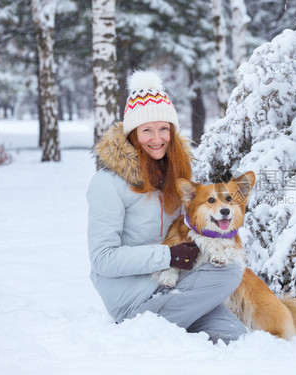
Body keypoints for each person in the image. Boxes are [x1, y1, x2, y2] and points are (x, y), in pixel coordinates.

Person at [87, 70, 247, 343]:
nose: (156, 138)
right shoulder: (108, 183)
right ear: (132, 134)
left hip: (174, 283)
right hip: (132, 297)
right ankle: (137, 331)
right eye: (146, 130)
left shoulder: (174, 177)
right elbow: (103, 260)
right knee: (230, 272)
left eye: (164, 129)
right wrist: (168, 256)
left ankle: (169, 327)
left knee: (234, 335)